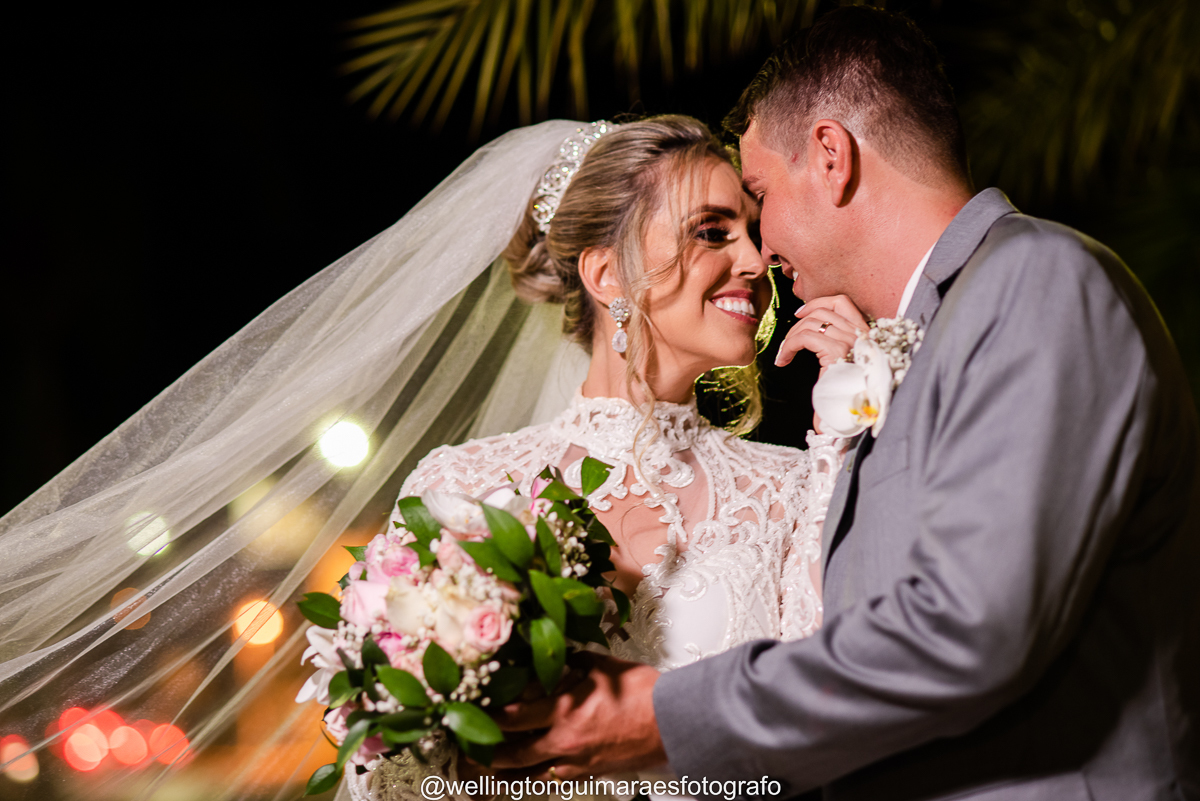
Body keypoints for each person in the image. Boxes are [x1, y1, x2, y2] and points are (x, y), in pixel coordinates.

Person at [490, 7, 1200, 800]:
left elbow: (969, 629)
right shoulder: (940, 333)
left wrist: (659, 713)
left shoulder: (1035, 279)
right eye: (718, 226)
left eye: (757, 198)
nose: (760, 255)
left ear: (831, 156)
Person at [339, 114, 861, 800]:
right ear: (607, 272)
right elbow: (381, 765)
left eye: (753, 232)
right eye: (712, 231)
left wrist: (849, 426)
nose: (756, 261)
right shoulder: (462, 486)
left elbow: (828, 718)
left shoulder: (797, 484)